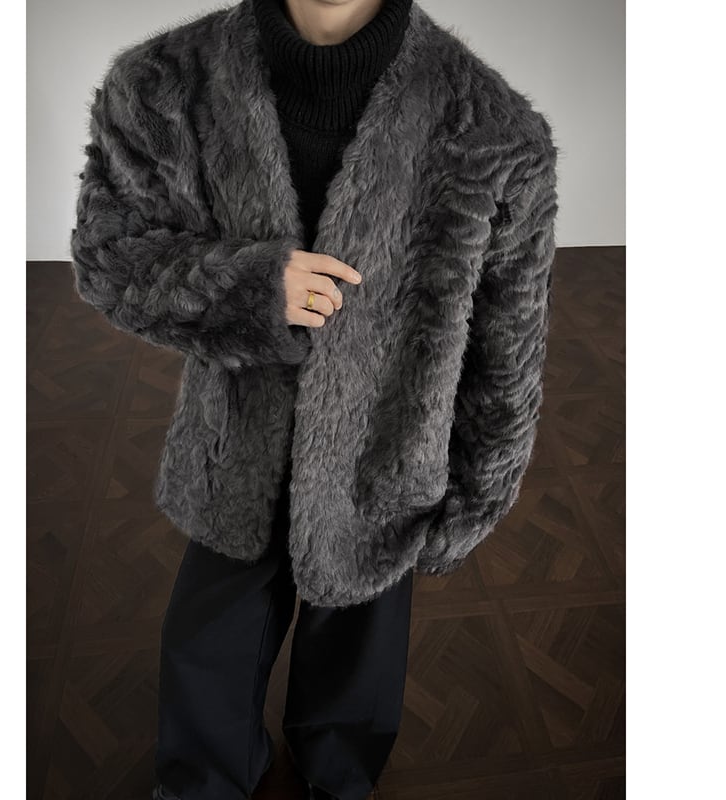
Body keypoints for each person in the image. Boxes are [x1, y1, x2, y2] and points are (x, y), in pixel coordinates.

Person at [70, 0, 560, 797]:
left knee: (355, 685)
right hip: (235, 445)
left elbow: (509, 349)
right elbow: (110, 255)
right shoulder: (163, 84)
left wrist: (475, 497)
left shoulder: (496, 134)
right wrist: (252, 289)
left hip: (386, 459)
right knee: (209, 651)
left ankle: (337, 779)